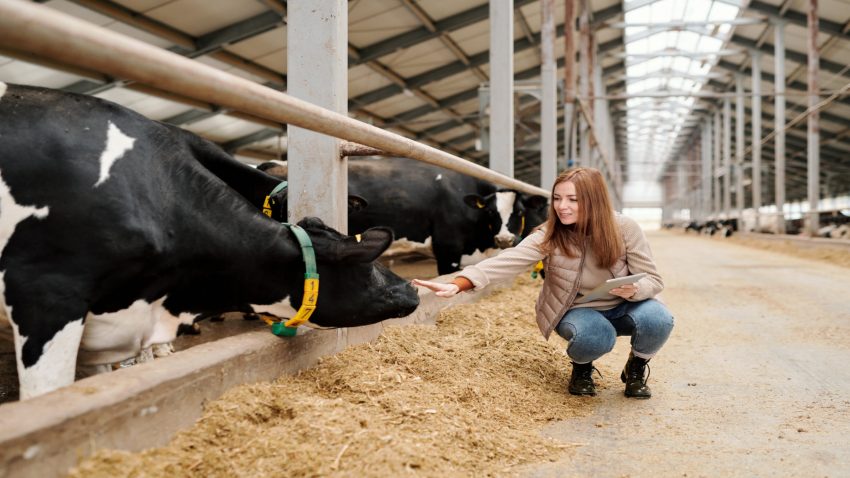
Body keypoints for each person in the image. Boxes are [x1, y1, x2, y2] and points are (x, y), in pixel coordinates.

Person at [413, 167, 673, 399]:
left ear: (594, 201)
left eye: (573, 199)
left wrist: (636, 289)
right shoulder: (550, 234)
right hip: (578, 309)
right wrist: (460, 283)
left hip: (624, 304)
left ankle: (636, 367)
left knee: (659, 319)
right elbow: (508, 260)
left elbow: (653, 278)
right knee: (595, 337)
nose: (562, 207)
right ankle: (582, 369)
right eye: (557, 199)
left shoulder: (624, 228)